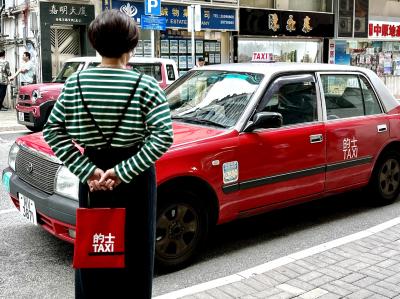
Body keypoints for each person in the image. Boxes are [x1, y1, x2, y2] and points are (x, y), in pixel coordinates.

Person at [43, 10, 173, 299]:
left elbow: (53, 131)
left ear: (95, 44)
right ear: (132, 46)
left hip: (92, 178)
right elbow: (163, 136)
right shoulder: (147, 86)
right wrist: (122, 171)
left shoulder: (75, 84)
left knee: (95, 250)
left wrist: (87, 170)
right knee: (136, 253)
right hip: (135, 179)